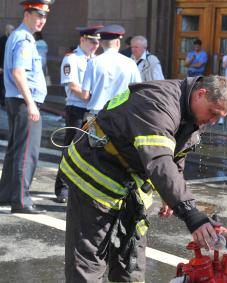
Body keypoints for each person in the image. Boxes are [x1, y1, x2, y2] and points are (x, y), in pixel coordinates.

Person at [61, 75, 227, 282]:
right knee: (89, 263)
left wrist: (170, 196)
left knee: (131, 262)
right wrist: (191, 214)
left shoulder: (192, 113)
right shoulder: (158, 103)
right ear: (201, 94)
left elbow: (174, 156)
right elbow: (160, 160)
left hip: (128, 181)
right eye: (213, 113)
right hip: (94, 176)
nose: (213, 121)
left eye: (219, 117)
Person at [0, 0, 53, 214]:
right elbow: (18, 72)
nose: (42, 20)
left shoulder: (23, 36)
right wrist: (31, 104)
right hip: (24, 101)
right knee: (26, 153)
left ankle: (6, 194)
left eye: (45, 16)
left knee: (15, 150)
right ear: (27, 14)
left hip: (17, 100)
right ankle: (21, 200)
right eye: (38, 15)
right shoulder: (23, 38)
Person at [53, 26, 101, 203]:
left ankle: (80, 187)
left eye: (97, 42)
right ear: (82, 40)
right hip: (77, 108)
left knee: (88, 149)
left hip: (93, 110)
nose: (95, 45)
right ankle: (62, 188)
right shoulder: (71, 59)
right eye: (92, 41)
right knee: (70, 148)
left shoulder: (96, 59)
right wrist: (88, 98)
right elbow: (72, 85)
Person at [81, 24, 141, 114]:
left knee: (88, 127)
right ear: (118, 42)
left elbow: (85, 95)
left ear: (101, 44)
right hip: (121, 113)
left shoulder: (93, 63)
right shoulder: (130, 63)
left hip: (96, 114)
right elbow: (137, 91)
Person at [0, 24, 15, 107]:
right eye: (11, 29)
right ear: (7, 30)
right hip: (2, 67)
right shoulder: (1, 40)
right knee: (2, 84)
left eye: (13, 29)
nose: (12, 31)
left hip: (10, 67)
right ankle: (3, 102)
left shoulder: (13, 40)